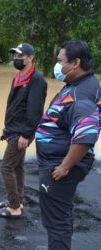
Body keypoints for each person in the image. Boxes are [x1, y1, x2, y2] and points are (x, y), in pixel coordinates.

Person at [35, 40, 101, 249]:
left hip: (59, 165)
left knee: (56, 221)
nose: (57, 65)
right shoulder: (79, 85)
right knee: (60, 215)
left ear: (75, 63)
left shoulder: (81, 95)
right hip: (57, 161)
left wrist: (64, 167)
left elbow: (86, 135)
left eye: (60, 61)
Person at [0, 43, 47, 219]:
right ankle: (18, 199)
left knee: (6, 167)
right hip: (13, 129)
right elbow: (14, 106)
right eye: (14, 56)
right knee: (17, 166)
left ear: (30, 58)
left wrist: (26, 134)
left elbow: (35, 110)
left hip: (22, 131)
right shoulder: (18, 77)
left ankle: (14, 207)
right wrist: (7, 127)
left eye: (20, 56)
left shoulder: (37, 80)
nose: (16, 59)